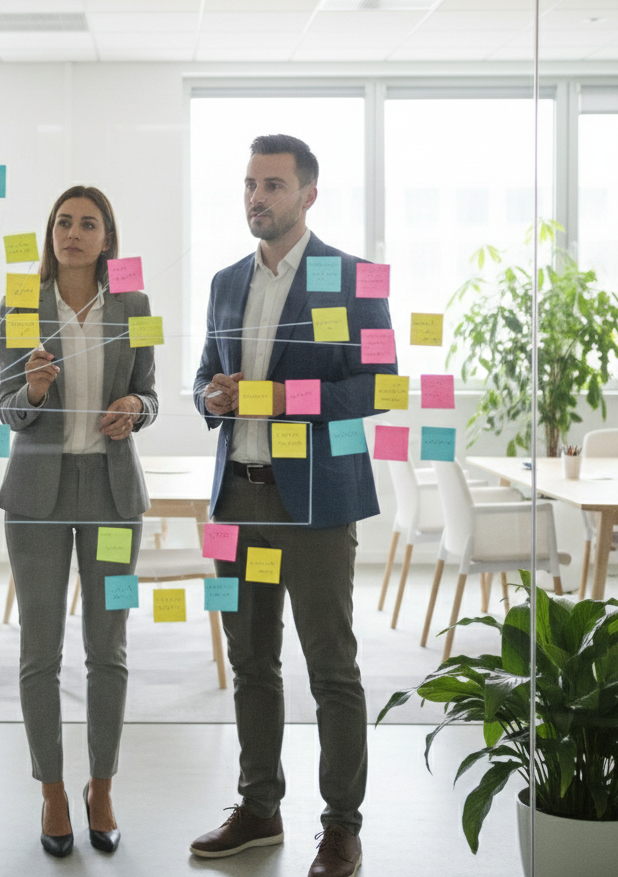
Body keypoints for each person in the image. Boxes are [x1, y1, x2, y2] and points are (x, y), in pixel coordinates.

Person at [189, 135, 396, 877]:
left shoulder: (353, 276)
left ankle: (341, 825)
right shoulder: (222, 281)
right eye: (249, 183)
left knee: (331, 669)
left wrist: (281, 400)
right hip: (236, 501)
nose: (256, 197)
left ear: (308, 193)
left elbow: (379, 386)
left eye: (272, 184)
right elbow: (204, 376)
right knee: (250, 663)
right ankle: (258, 808)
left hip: (313, 503)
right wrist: (208, 395)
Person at [0, 185, 158, 858]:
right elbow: (7, 408)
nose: (73, 233)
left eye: (88, 223)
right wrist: (30, 391)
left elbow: (149, 391)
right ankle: (52, 789)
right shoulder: (20, 304)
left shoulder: (136, 305)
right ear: (51, 234)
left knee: (108, 651)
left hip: (113, 492)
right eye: (63, 222)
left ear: (106, 238)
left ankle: (101, 785)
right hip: (36, 494)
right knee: (40, 651)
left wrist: (137, 408)